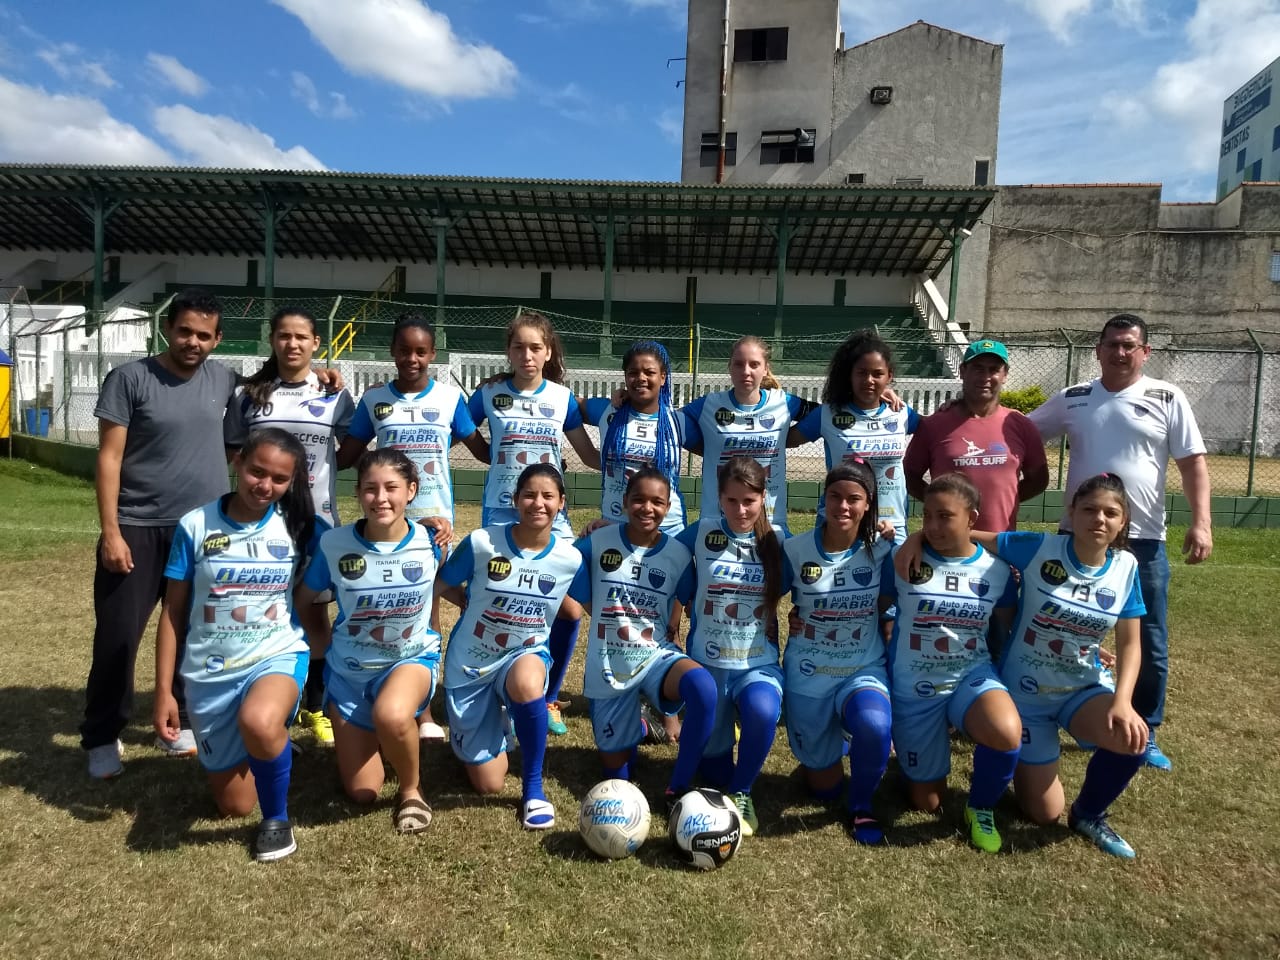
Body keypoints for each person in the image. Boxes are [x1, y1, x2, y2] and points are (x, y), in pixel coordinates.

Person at [1028, 313, 1212, 772]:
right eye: (1112, 344)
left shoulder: (1167, 397)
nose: (1121, 352)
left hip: (1143, 539)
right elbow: (1018, 433)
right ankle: (1075, 714)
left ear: (1145, 352)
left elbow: (1193, 464)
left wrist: (1202, 522)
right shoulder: (1075, 398)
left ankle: (1143, 729)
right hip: (1077, 537)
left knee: (1148, 637)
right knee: (1066, 628)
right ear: (1099, 349)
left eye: (1130, 345)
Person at [83, 289, 243, 778]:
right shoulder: (130, 378)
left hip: (200, 531)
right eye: (184, 331)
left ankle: (177, 722)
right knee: (119, 636)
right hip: (136, 525)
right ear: (167, 330)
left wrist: (325, 374)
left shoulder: (223, 379)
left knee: (195, 633)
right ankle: (102, 735)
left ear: (217, 339)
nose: (192, 342)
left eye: (203, 335)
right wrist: (111, 531)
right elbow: (109, 457)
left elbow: (276, 379)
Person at [152, 428, 319, 862]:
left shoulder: (300, 527)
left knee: (260, 721)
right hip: (209, 673)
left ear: (292, 481)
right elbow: (172, 613)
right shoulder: (195, 524)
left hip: (275, 654)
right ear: (238, 462)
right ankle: (269, 746)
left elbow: (365, 541)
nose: (265, 486)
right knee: (233, 806)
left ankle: (277, 821)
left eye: (279, 479)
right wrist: (164, 692)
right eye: (257, 472)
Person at [338, 312, 487, 742]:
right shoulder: (373, 400)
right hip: (387, 519)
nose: (412, 358)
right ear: (393, 352)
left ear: (432, 354)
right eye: (404, 350)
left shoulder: (447, 399)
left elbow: (479, 448)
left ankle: (423, 708)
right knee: (392, 605)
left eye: (421, 351)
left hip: (434, 522)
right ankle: (388, 690)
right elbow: (347, 455)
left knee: (428, 606)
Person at [980, 474, 1147, 857]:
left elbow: (1131, 643)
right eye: (1089, 509)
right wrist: (920, 540)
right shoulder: (1039, 547)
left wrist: (1122, 701)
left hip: (1082, 689)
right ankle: (1015, 763)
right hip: (1026, 696)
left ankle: (1089, 814)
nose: (1099, 519)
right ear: (1071, 512)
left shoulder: (1126, 567)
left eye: (1111, 513)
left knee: (1132, 739)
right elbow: (970, 534)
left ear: (1123, 522)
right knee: (1042, 813)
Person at [294, 450, 443, 834]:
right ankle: (381, 733)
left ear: (411, 490)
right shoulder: (334, 544)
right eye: (370, 489)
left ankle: (412, 790)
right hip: (349, 674)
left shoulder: (431, 542)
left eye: (392, 488)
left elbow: (451, 591)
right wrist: (320, 642)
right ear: (358, 493)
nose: (381, 498)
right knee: (362, 792)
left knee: (393, 714)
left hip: (410, 660)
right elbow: (304, 600)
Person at [467, 310, 600, 737]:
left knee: (570, 605)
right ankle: (493, 688)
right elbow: (454, 426)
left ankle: (548, 696)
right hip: (501, 513)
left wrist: (631, 464)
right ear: (508, 351)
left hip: (549, 514)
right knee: (496, 604)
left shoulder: (562, 398)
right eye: (518, 347)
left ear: (548, 353)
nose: (527, 354)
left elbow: (588, 454)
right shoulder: (488, 394)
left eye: (535, 347)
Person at [227, 305, 355, 746]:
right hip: (261, 525)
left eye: (302, 337)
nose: (292, 344)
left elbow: (350, 450)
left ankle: (316, 706)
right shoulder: (250, 395)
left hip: (316, 522)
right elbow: (235, 458)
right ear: (273, 340)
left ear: (316, 343)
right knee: (262, 612)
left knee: (314, 615)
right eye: (284, 336)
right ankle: (265, 701)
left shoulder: (336, 394)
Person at [435, 463, 585, 830]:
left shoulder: (570, 558)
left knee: (527, 684)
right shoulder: (483, 542)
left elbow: (574, 610)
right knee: (488, 784)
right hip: (472, 661)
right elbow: (441, 583)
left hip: (524, 652)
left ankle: (533, 789)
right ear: (515, 499)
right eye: (530, 495)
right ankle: (497, 726)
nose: (538, 503)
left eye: (548, 496)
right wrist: (466, 602)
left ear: (562, 503)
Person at [881, 473, 1021, 854]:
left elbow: (1010, 630)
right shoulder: (907, 559)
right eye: (926, 516)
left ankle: (981, 808)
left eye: (945, 516)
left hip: (968, 675)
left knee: (1006, 731)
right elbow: (874, 612)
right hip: (914, 683)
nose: (932, 526)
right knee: (926, 803)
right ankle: (913, 750)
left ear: (972, 519)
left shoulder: (996, 571)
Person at [567, 468, 717, 812]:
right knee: (618, 774)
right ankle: (638, 726)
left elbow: (687, 597)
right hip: (610, 664)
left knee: (703, 688)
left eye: (657, 502)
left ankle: (677, 787)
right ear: (624, 503)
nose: (647, 508)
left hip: (656, 656)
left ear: (668, 507)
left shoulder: (679, 555)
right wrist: (603, 613)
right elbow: (566, 577)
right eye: (638, 500)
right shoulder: (597, 542)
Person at [782, 460, 896, 845]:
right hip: (809, 669)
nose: (843, 507)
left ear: (868, 505)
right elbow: (755, 592)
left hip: (861, 665)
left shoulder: (884, 550)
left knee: (875, 725)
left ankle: (862, 806)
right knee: (823, 787)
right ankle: (833, 747)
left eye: (854, 499)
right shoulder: (795, 550)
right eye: (835, 496)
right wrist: (785, 620)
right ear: (823, 500)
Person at [674, 456, 784, 837]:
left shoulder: (778, 540)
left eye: (749, 501)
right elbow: (653, 547)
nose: (741, 509)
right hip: (709, 665)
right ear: (719, 499)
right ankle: (722, 747)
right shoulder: (702, 532)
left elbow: (832, 559)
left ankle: (742, 792)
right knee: (714, 770)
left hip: (758, 665)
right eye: (732, 501)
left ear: (762, 499)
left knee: (763, 711)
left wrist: (887, 533)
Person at [903, 339, 1048, 533]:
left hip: (1001, 545)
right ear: (963, 371)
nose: (985, 377)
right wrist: (941, 504)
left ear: (1005, 374)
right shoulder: (934, 425)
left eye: (994, 369)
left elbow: (1039, 478)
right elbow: (908, 475)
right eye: (978, 368)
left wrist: (1007, 499)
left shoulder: (1020, 425)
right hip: (948, 546)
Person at [682, 336, 809, 534]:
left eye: (754, 364)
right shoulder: (708, 404)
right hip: (717, 520)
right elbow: (664, 421)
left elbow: (829, 415)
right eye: (739, 364)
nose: (746, 371)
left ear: (765, 368)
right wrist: (631, 399)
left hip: (771, 521)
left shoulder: (784, 402)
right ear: (729, 367)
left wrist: (873, 401)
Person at [581, 340, 691, 535]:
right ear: (625, 377)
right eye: (633, 373)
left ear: (663, 377)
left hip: (667, 529)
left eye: (649, 372)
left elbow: (718, 448)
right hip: (615, 523)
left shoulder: (679, 422)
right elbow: (563, 402)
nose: (641, 378)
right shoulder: (608, 411)